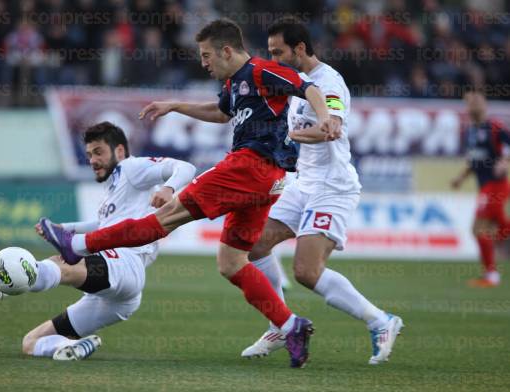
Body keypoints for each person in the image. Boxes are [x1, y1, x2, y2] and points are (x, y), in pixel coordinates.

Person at [38, 18, 339, 368]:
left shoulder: (261, 71)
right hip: (266, 181)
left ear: (227, 50)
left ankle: (75, 245)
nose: (204, 62)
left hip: (248, 167)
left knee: (160, 220)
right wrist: (176, 105)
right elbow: (222, 113)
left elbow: (307, 87)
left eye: (207, 55)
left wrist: (327, 118)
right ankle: (291, 325)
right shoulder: (233, 84)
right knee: (231, 262)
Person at [240, 17, 403, 365]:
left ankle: (381, 320)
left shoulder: (328, 83)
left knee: (306, 272)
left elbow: (331, 129)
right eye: (269, 53)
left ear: (299, 48)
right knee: (253, 245)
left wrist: (293, 136)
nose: (273, 59)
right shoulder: (290, 82)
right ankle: (280, 324)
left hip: (333, 187)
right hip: (303, 183)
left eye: (278, 52)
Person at [0, 121, 196, 360]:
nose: (92, 160)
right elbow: (101, 227)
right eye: (89, 154)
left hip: (125, 263)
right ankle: (67, 348)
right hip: (118, 299)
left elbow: (185, 167)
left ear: (119, 151)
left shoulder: (132, 168)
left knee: (62, 264)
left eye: (98, 152)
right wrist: (65, 229)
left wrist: (169, 188)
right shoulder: (114, 187)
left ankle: (1, 284)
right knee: (31, 342)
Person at [451, 90, 510, 287]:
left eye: (477, 101)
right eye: (470, 102)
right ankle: (491, 273)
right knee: (500, 228)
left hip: (496, 185)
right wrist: (460, 177)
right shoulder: (470, 132)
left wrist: (504, 161)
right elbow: (473, 160)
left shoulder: (495, 127)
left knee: (478, 229)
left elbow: (507, 149)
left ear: (485, 104)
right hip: (485, 187)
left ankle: (491, 275)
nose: (473, 105)